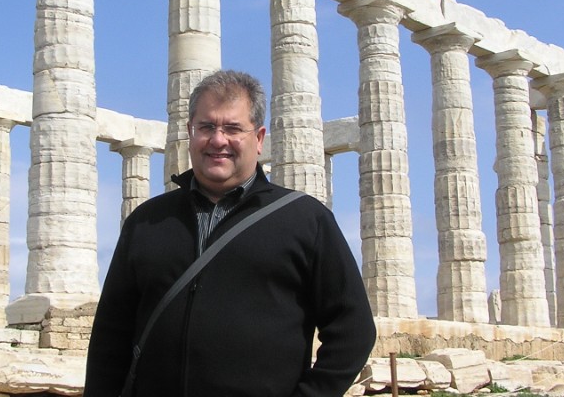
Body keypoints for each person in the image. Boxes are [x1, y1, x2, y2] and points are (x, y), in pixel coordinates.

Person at [84, 70, 376, 397]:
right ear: (190, 133)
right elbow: (110, 338)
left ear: (259, 138)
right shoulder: (146, 222)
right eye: (206, 127)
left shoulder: (306, 220)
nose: (218, 140)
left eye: (233, 128)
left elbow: (354, 330)